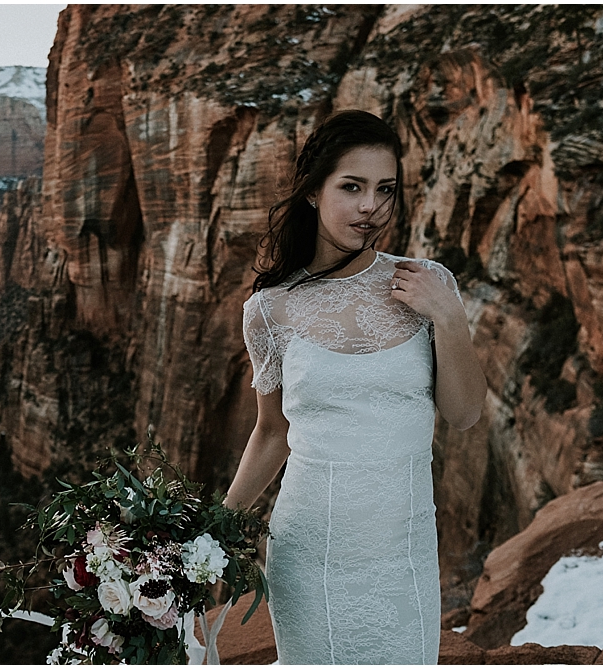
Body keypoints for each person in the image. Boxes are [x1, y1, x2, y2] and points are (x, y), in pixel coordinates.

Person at [224, 110, 487, 664]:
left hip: (401, 549)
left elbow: (464, 415)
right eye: (352, 187)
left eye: (384, 189)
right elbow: (272, 432)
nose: (370, 206)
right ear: (314, 192)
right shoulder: (269, 309)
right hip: (307, 547)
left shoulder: (428, 282)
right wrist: (215, 526)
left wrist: (450, 319)